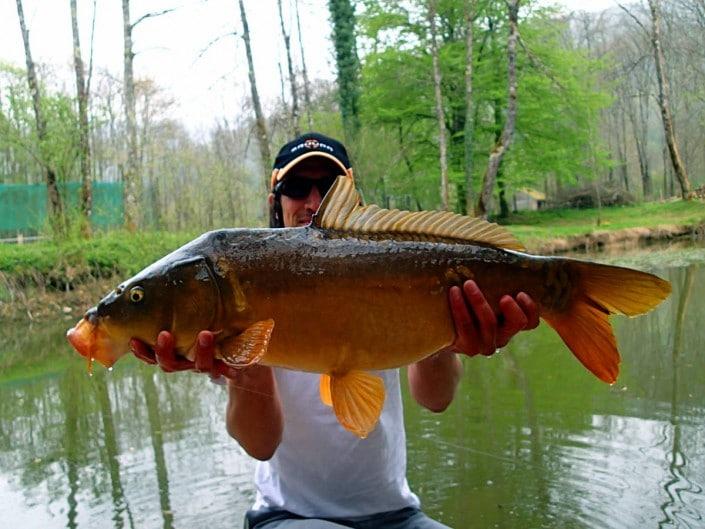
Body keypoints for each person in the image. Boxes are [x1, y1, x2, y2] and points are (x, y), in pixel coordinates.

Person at [131, 132, 539, 528]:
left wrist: (448, 333)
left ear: (351, 196)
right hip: (288, 517)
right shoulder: (239, 284)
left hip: (397, 514)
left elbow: (435, 399)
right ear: (276, 202)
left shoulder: (382, 264)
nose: (312, 202)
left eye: (328, 187)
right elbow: (260, 445)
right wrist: (243, 363)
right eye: (297, 186)